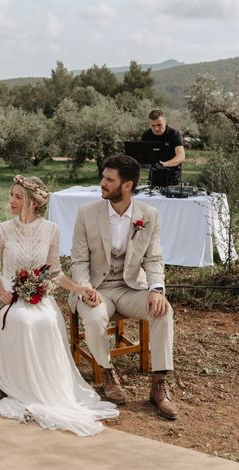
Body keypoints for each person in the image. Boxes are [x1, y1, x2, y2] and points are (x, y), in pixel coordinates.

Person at [0, 175, 119, 436]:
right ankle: (23, 384)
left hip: (38, 295)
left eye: (17, 196)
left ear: (33, 203)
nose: (11, 200)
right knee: (23, 321)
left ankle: (46, 386)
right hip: (8, 295)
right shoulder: (2, 229)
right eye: (11, 195)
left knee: (45, 320)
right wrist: (0, 291)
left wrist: (80, 289)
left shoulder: (51, 230)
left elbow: (55, 273)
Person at [68, 154, 179, 420]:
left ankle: (158, 385)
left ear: (126, 186)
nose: (102, 183)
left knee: (164, 311)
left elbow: (154, 258)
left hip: (131, 288)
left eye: (109, 179)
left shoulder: (148, 216)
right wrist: (84, 288)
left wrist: (156, 289)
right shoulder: (86, 214)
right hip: (96, 288)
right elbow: (79, 260)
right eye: (103, 177)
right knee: (94, 319)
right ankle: (107, 373)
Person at [142, 109, 185, 187]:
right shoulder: (147, 135)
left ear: (165, 122)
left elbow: (181, 157)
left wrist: (164, 164)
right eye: (153, 126)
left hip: (173, 177)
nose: (156, 129)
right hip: (154, 176)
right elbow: (141, 155)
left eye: (159, 125)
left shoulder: (175, 134)